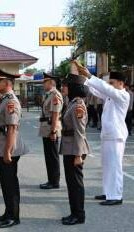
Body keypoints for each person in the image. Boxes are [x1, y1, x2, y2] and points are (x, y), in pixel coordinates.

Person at [74, 60, 130, 206]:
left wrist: (89, 75)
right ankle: (108, 192)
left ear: (120, 83)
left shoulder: (123, 96)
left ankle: (116, 196)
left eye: (112, 82)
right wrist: (84, 77)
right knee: (106, 166)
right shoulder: (111, 95)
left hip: (116, 136)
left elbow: (105, 88)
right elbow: (97, 90)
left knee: (115, 167)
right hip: (108, 136)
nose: (110, 85)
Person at [0, 68, 26, 228]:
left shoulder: (11, 101)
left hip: (8, 146)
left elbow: (12, 128)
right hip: (1, 144)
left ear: (7, 83)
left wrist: (8, 151)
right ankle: (8, 212)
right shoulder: (3, 99)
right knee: (5, 182)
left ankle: (13, 216)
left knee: (10, 183)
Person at [59, 73, 91, 225]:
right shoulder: (72, 103)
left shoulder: (78, 105)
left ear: (73, 87)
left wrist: (78, 155)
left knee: (76, 184)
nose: (63, 88)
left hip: (75, 150)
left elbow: (80, 132)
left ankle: (79, 215)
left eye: (65, 85)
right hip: (69, 148)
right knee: (71, 184)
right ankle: (74, 212)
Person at [39, 73, 63, 189]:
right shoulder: (49, 95)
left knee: (52, 157)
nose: (43, 84)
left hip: (51, 128)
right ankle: (51, 180)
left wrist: (53, 131)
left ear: (51, 83)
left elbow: (55, 114)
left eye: (45, 82)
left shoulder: (55, 95)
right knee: (49, 156)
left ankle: (54, 181)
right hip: (47, 128)